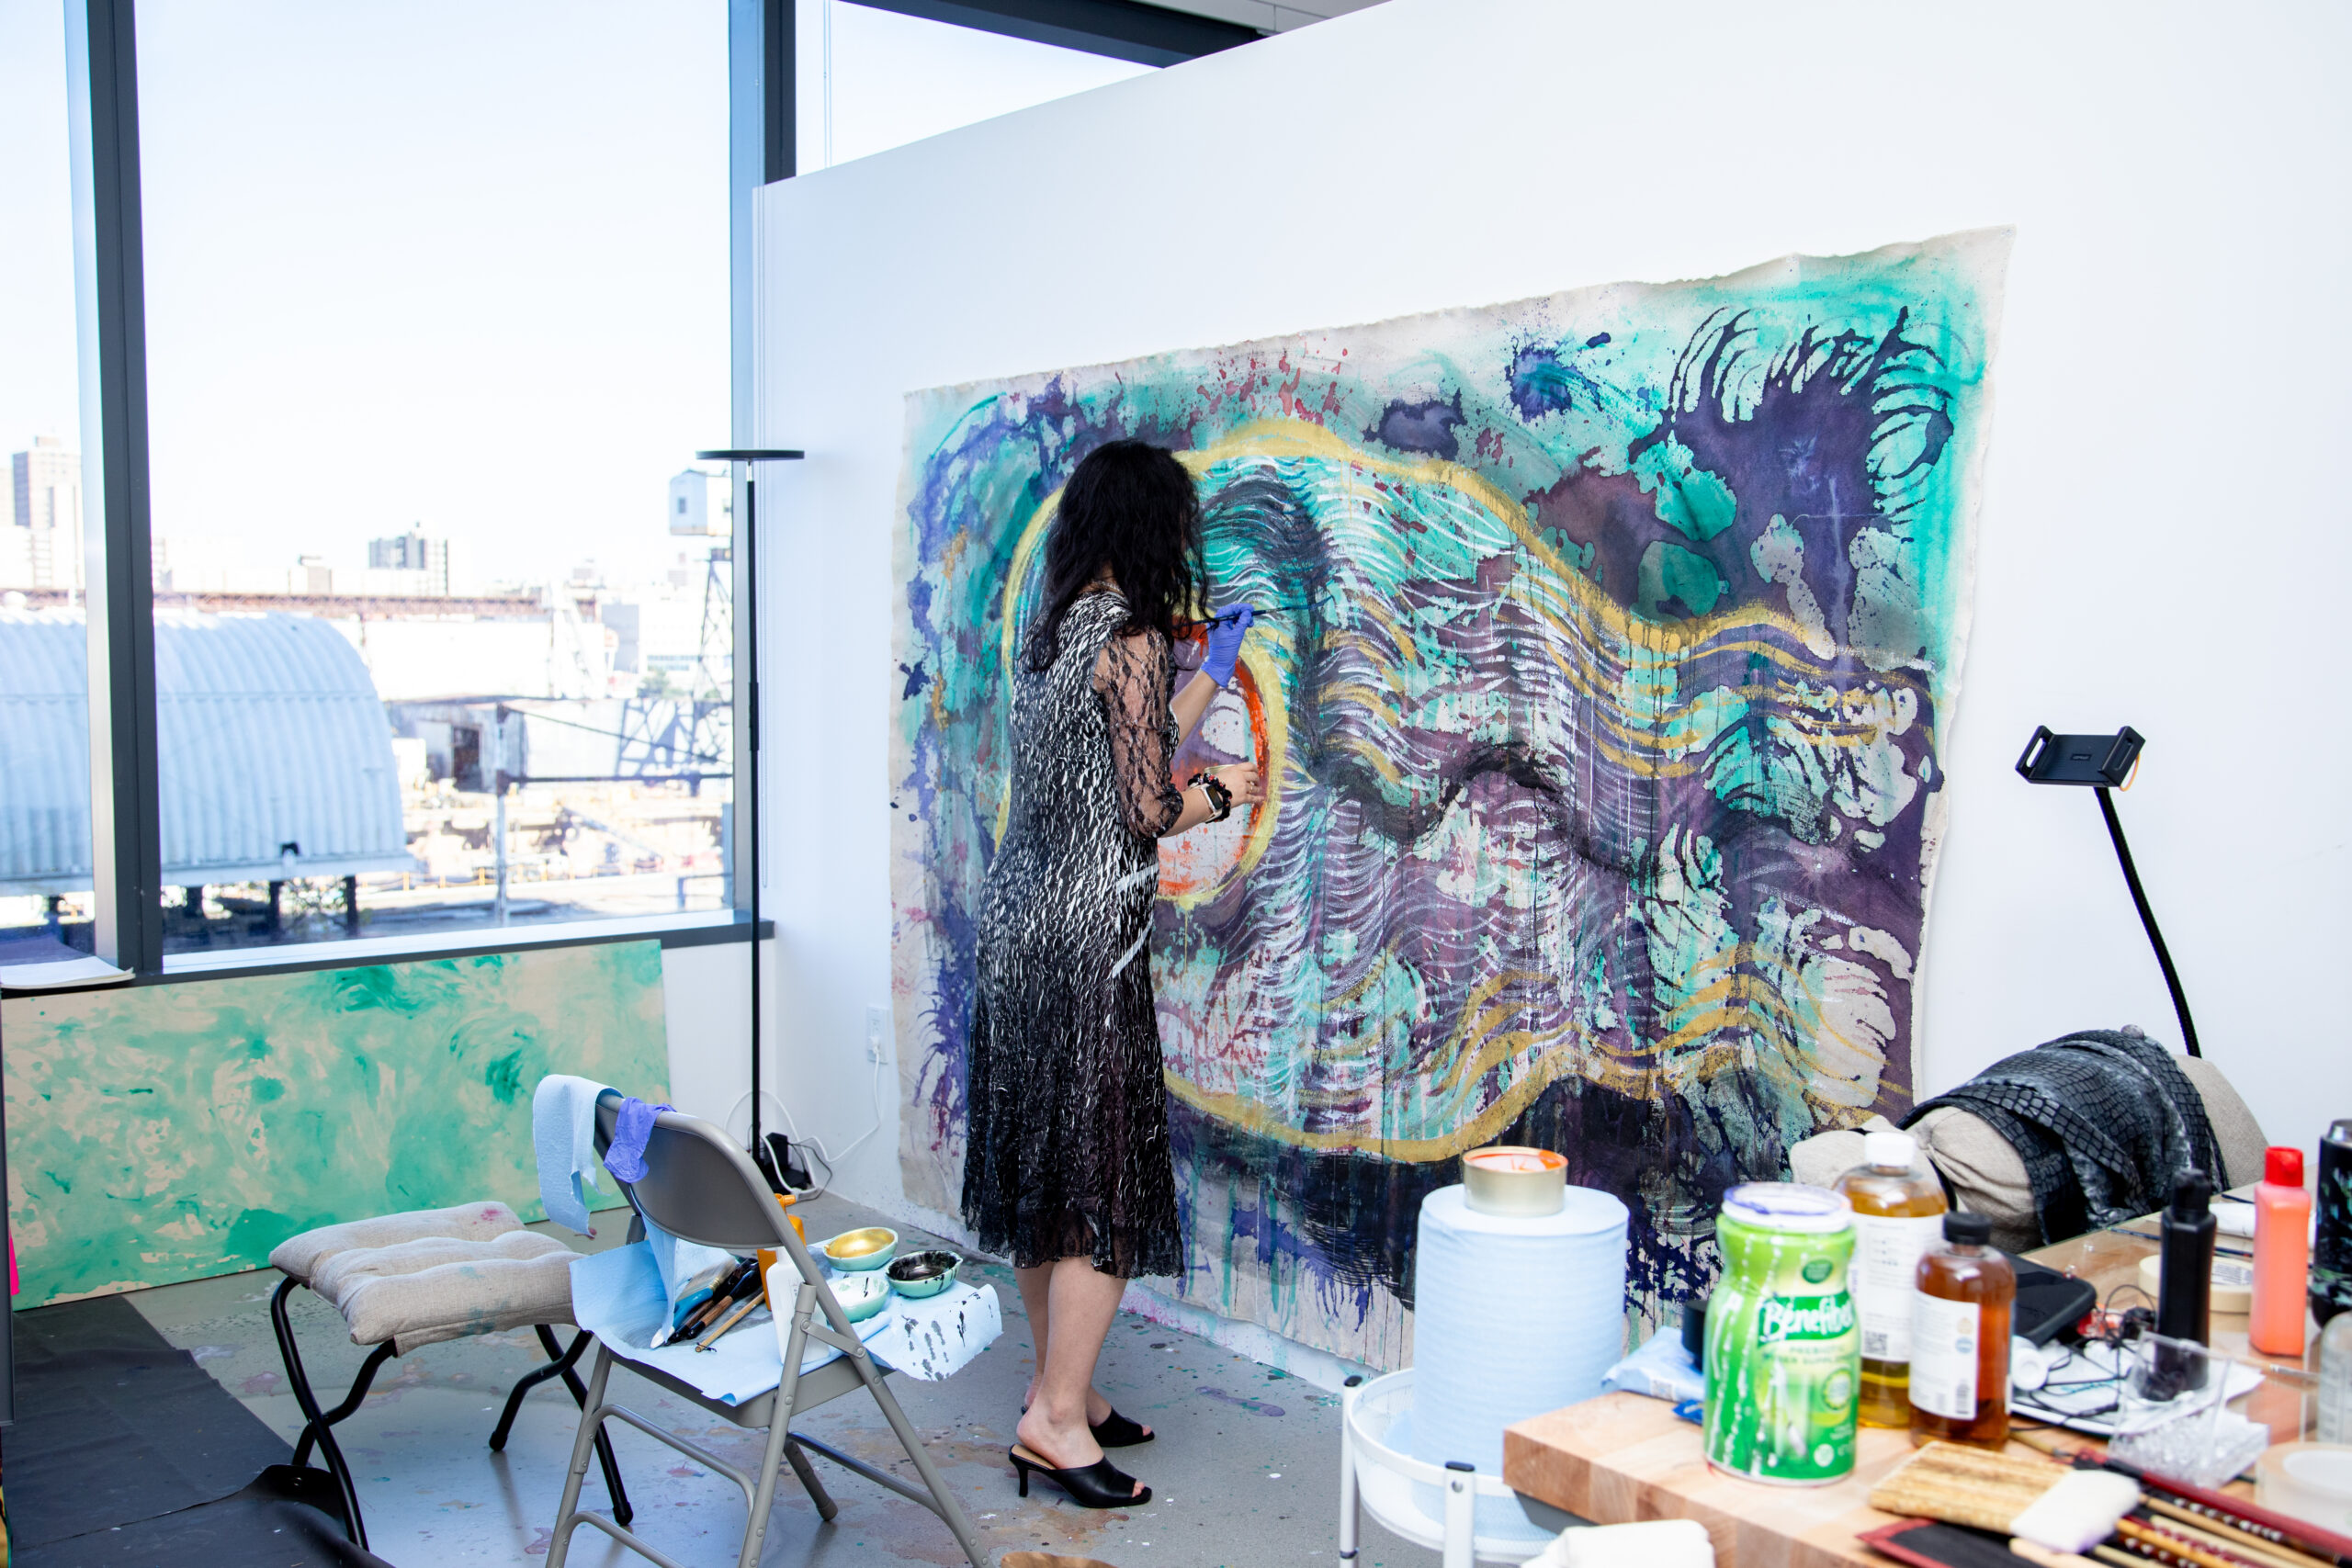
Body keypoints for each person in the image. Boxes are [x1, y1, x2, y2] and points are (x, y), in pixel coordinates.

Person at [961, 439, 1261, 1509]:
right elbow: (1144, 806)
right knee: (1104, 1178)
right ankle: (1051, 1422)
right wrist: (1223, 792)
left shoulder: (1051, 637)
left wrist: (1205, 683)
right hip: (1091, 943)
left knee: (1045, 1171)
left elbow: (1111, 748)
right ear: (1151, 530)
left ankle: (1064, 1391)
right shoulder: (1130, 635)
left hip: (1016, 934)